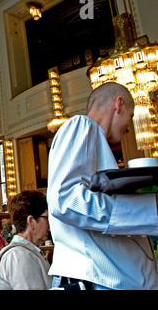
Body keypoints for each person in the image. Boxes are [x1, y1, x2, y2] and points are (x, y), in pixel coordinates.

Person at [47, 82, 158, 290]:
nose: (129, 128)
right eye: (131, 116)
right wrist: (150, 209)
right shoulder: (82, 125)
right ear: (119, 104)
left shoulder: (96, 141)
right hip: (98, 280)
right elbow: (65, 200)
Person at [0, 190, 52, 290]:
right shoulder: (19, 256)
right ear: (31, 221)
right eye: (46, 218)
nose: (50, 224)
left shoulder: (25, 252)